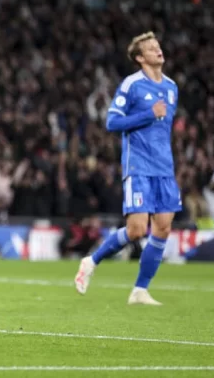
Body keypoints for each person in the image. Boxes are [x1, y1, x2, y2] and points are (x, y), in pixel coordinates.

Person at [74, 31, 180, 305]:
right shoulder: (132, 85)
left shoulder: (171, 87)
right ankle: (91, 261)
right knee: (136, 230)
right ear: (139, 58)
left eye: (158, 46)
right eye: (151, 48)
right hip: (139, 166)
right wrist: (149, 113)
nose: (158, 50)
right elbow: (112, 122)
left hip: (164, 168)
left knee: (163, 228)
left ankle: (140, 290)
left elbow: (163, 130)